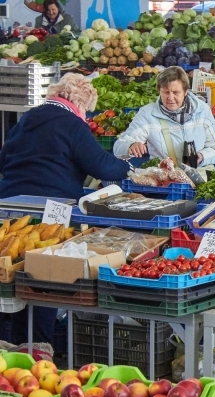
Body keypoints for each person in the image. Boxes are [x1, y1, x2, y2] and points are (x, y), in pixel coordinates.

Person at [0, 73, 131, 348]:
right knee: (44, 274)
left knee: (9, 275)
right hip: (50, 211)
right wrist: (127, 167)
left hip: (10, 206)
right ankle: (38, 347)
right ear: (80, 103)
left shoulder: (27, 119)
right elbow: (102, 166)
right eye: (87, 109)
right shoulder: (72, 124)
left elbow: (4, 159)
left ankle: (7, 347)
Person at [114, 67, 215, 175]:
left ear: (185, 92)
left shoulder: (202, 110)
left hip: (199, 177)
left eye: (176, 92)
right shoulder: (147, 114)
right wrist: (130, 146)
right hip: (164, 180)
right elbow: (118, 147)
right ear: (159, 91)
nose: (170, 97)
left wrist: (202, 156)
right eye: (166, 92)